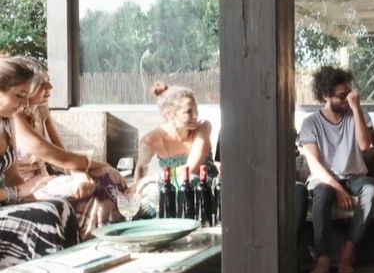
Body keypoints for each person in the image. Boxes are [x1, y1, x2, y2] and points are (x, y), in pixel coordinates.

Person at [13, 57, 128, 240]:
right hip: (29, 187)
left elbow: (62, 153)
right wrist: (96, 166)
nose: (50, 87)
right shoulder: (14, 119)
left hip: (47, 178)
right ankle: (95, 238)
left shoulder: (40, 109)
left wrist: (80, 173)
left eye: (49, 80)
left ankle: (117, 232)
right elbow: (59, 158)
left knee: (110, 175)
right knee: (99, 183)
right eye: (42, 83)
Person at [296, 66, 374, 273]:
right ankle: (323, 258)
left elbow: (365, 145)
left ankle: (348, 250)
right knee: (322, 194)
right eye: (342, 97)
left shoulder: (357, 113)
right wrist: (338, 189)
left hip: (354, 176)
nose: (347, 100)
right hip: (324, 178)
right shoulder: (310, 123)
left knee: (370, 188)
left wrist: (356, 109)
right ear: (325, 96)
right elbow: (315, 167)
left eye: (349, 94)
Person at [0, 57, 77, 268]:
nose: (25, 104)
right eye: (20, 95)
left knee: (61, 206)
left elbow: (13, 177)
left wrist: (37, 194)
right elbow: (16, 188)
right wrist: (18, 192)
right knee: (44, 216)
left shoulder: (7, 122)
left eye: (27, 96)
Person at [133, 83, 219, 216]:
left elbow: (191, 169)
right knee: (152, 193)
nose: (195, 115)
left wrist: (154, 178)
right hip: (170, 190)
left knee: (190, 180)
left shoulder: (203, 127)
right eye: (188, 111)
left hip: (202, 189)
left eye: (196, 109)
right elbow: (141, 167)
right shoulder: (151, 140)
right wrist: (136, 189)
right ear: (169, 115)